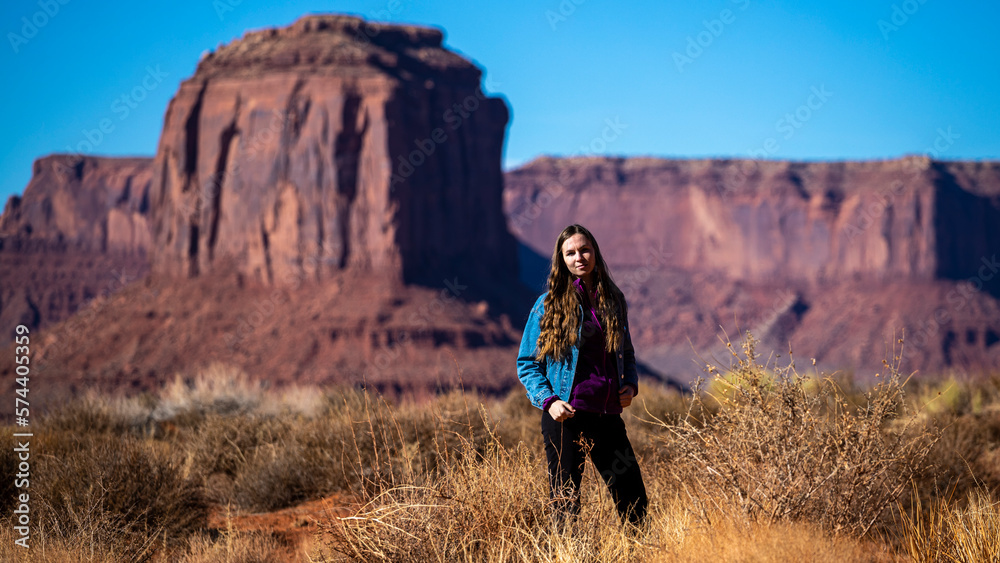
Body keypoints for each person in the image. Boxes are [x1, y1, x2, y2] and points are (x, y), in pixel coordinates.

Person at [516, 224, 648, 529]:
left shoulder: (612, 301)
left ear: (595, 253)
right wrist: (549, 401)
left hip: (607, 417)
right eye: (570, 252)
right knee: (566, 503)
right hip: (566, 416)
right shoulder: (548, 305)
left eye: (584, 249)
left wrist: (629, 384)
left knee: (633, 498)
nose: (579, 257)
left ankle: (641, 553)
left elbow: (625, 351)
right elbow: (527, 363)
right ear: (561, 260)